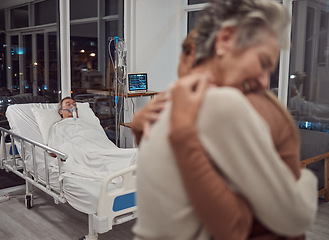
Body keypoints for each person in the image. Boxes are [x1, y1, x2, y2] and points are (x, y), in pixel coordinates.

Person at [132, 0, 317, 240]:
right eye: (262, 63)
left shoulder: (166, 103)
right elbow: (290, 218)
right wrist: (307, 181)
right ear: (225, 39)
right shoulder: (224, 104)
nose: (263, 83)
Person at [48, 96, 137, 180]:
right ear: (61, 111)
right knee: (99, 158)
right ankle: (129, 164)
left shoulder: (88, 122)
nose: (72, 106)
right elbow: (53, 151)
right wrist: (69, 150)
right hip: (82, 147)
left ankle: (132, 161)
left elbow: (101, 136)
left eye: (74, 104)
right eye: (68, 104)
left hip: (99, 143)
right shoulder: (59, 126)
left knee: (112, 153)